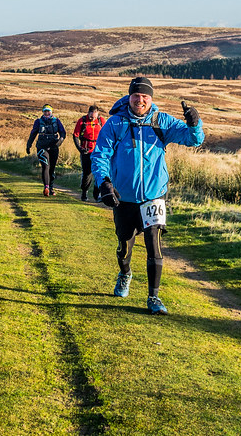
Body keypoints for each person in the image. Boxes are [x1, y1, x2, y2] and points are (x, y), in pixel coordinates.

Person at [91, 76, 203, 315]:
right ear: (129, 97)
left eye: (145, 96)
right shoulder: (116, 123)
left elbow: (194, 140)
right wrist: (104, 183)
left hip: (154, 196)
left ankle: (154, 298)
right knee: (124, 246)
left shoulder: (161, 122)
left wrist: (195, 123)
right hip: (124, 197)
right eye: (136, 95)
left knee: (154, 245)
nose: (140, 100)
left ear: (151, 98)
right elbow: (99, 155)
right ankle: (125, 274)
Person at [26, 105, 66, 196]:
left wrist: (61, 140)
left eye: (48, 111)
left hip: (54, 147)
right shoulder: (38, 122)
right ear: (42, 112)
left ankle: (51, 188)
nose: (47, 113)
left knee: (52, 168)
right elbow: (33, 133)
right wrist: (28, 145)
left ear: (51, 112)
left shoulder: (57, 121)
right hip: (42, 147)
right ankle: (46, 187)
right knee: (45, 166)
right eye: (45, 111)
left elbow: (63, 132)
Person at [72, 105, 106, 202]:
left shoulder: (101, 121)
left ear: (97, 113)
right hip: (86, 151)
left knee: (99, 172)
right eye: (91, 115)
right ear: (88, 113)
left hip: (99, 151)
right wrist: (80, 149)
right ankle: (84, 192)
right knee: (87, 173)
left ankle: (97, 195)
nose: (92, 117)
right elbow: (75, 135)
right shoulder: (82, 121)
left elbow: (107, 135)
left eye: (94, 115)